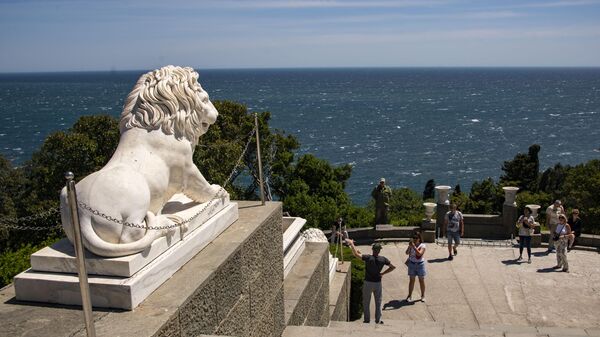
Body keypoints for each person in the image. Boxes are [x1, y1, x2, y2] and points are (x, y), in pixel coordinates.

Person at [346, 239, 396, 324]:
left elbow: (356, 254)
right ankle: (378, 320)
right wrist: (383, 273)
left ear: (372, 249)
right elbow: (393, 267)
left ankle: (367, 320)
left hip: (368, 283)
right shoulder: (383, 259)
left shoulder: (368, 258)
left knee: (366, 302)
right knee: (378, 302)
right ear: (379, 250)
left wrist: (351, 244)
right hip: (378, 283)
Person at [405, 233, 427, 302]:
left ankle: (423, 295)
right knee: (411, 281)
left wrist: (414, 247)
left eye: (416, 238)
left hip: (420, 265)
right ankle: (409, 295)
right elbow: (406, 253)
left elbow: (419, 254)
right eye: (413, 238)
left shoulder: (422, 245)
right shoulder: (412, 245)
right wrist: (409, 247)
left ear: (419, 239)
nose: (414, 239)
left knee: (421, 281)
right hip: (412, 264)